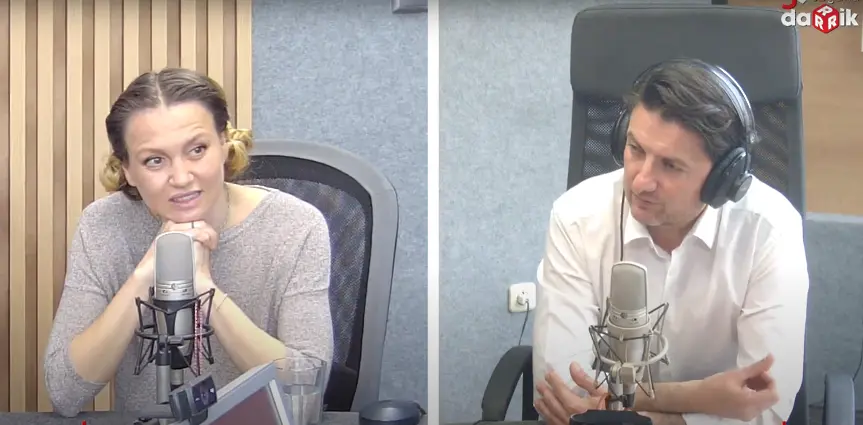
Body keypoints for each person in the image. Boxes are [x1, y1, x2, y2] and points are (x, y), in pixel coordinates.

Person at [43, 67, 334, 417]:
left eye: (197, 150)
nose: (181, 177)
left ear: (224, 144)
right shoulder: (104, 225)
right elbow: (64, 392)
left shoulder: (296, 226)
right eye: (154, 160)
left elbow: (307, 386)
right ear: (127, 170)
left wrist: (204, 289)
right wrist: (148, 272)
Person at [531, 59, 808, 425]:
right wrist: (702, 397)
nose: (641, 181)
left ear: (723, 177)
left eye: (671, 166)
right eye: (635, 149)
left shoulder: (771, 229)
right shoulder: (576, 216)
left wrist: (639, 415)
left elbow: (765, 404)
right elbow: (563, 391)